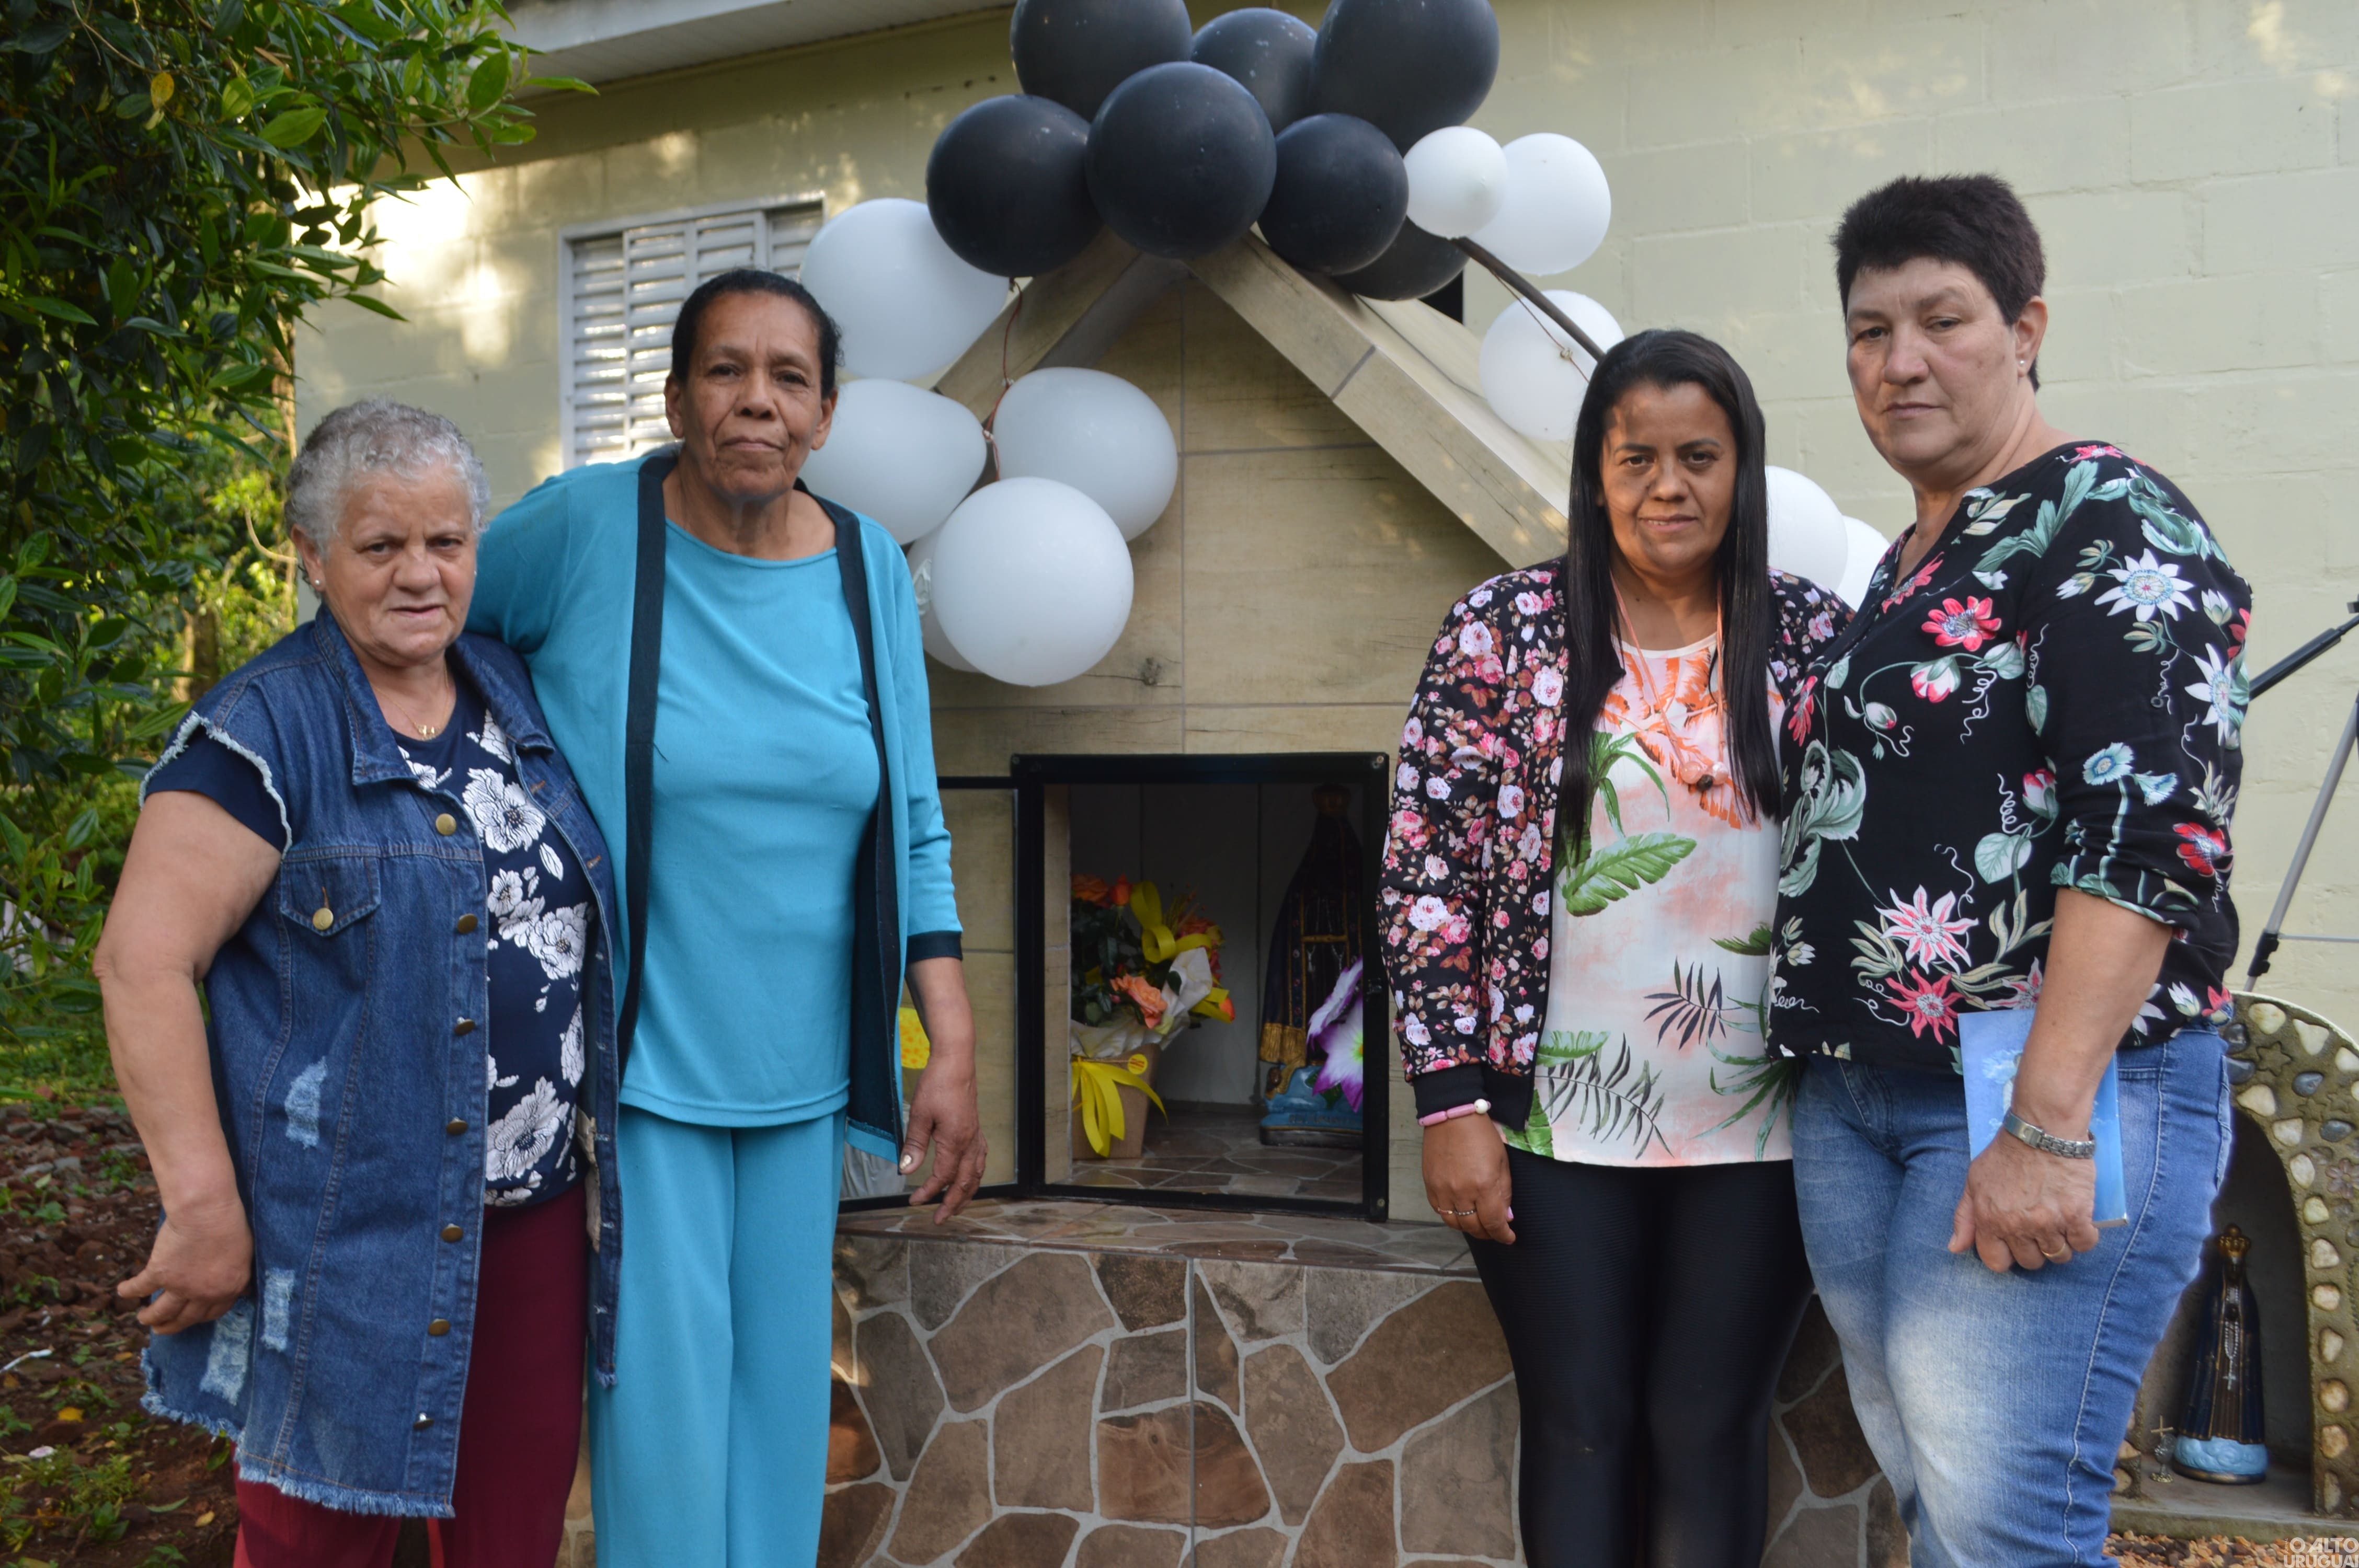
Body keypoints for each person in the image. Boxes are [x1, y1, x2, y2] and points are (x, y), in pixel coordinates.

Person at [466, 268, 986, 1566]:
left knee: (775, 1412)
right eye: (724, 371)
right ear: (677, 398)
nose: (755, 399)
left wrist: (953, 1044)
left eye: (788, 378)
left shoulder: (868, 565)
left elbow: (912, 817)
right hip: (642, 1072)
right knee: (660, 1416)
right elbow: (420, 612)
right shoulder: (588, 529)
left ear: (823, 414)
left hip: (807, 1075)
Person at [1772, 174, 2250, 1566]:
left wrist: (2045, 1128)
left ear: (2027, 327)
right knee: (1942, 1507)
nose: (1899, 360)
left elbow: (2150, 839)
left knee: (2006, 1532)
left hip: (2041, 1097)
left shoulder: (2108, 519)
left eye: (1942, 319)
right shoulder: (1909, 561)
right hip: (1865, 1097)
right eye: (1868, 330)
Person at [96, 399, 620, 1565]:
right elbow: (141, 962)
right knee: (313, 1547)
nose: (421, 575)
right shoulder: (261, 732)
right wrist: (201, 1205)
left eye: (447, 543)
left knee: (509, 1538)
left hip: (529, 1223)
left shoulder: (507, 691)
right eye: (383, 546)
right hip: (343, 1237)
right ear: (312, 553)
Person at [1386, 329, 1849, 1566]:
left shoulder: (1811, 638)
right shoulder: (1503, 629)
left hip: (1765, 1124)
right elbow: (1424, 875)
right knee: (1581, 1426)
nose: (1668, 485)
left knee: (1709, 1423)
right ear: (1595, 471)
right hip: (1545, 1123)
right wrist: (1449, 1105)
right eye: (1635, 456)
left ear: (1742, 469)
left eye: (1699, 456)